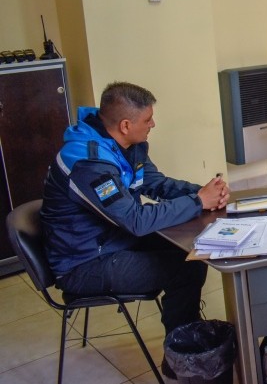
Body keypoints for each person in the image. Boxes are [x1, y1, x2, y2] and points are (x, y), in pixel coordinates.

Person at [39, 82, 229, 379]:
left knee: (188, 250)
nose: (153, 124)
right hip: (83, 263)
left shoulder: (127, 145)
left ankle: (182, 344)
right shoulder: (88, 162)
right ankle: (181, 359)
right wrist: (196, 202)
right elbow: (136, 220)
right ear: (126, 124)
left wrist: (204, 194)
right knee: (186, 267)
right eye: (148, 120)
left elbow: (156, 184)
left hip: (111, 240)